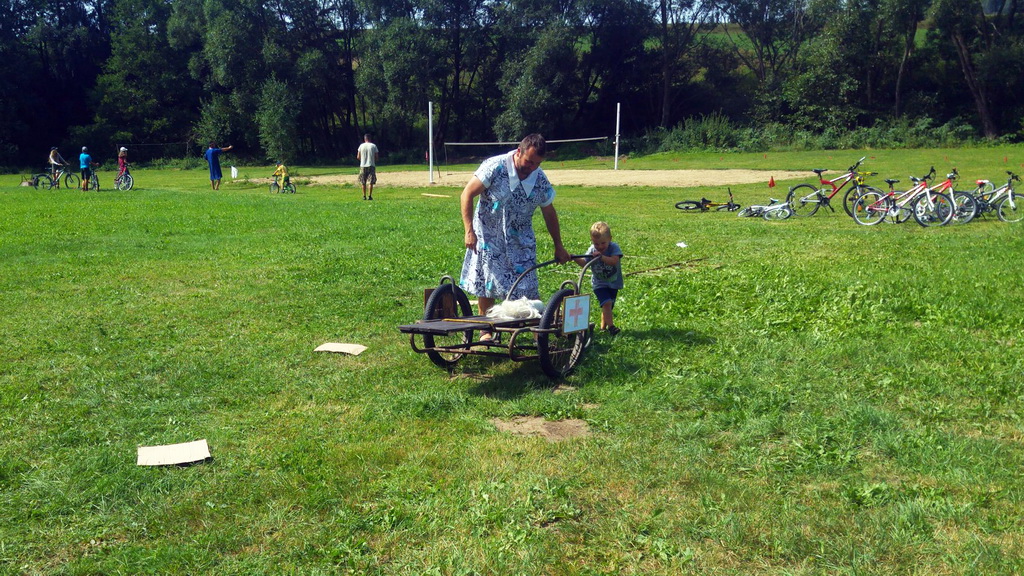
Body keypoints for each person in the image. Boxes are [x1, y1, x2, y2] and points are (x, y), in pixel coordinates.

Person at [460, 133, 570, 340]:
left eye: (537, 163)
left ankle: (538, 334)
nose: (532, 167)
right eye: (529, 161)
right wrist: (469, 231)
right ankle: (486, 331)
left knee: (528, 286)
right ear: (519, 152)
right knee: (488, 284)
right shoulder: (495, 167)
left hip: (521, 241)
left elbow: (549, 213)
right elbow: (467, 194)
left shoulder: (539, 180)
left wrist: (559, 245)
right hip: (489, 237)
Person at [575, 221, 624, 335]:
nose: (600, 246)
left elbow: (614, 261)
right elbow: (585, 263)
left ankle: (603, 328)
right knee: (607, 303)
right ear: (592, 241)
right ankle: (611, 327)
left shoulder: (614, 248)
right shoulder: (592, 250)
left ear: (610, 239)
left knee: (608, 306)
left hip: (613, 282)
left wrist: (601, 257)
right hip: (599, 283)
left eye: (603, 243)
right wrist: (574, 258)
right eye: (596, 243)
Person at [356, 133, 378, 200]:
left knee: (363, 181)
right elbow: (376, 157)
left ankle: (364, 196)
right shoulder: (373, 146)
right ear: (370, 138)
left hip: (363, 165)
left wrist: (362, 160)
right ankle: (370, 196)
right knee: (371, 181)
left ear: (364, 139)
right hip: (371, 165)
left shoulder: (361, 146)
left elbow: (358, 157)